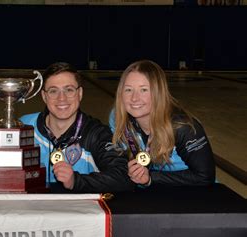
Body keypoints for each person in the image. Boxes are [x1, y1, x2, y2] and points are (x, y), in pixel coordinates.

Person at [19, 62, 133, 193]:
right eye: (53, 91)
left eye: (69, 90)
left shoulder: (96, 133)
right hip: (32, 211)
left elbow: (122, 177)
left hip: (80, 211)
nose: (61, 98)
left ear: (80, 93)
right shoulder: (25, 126)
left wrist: (76, 181)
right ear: (44, 96)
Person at [110, 59, 215, 186]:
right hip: (153, 191)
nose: (134, 98)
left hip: (193, 193)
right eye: (128, 90)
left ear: (158, 93)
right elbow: (121, 157)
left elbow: (205, 177)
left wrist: (151, 178)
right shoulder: (118, 118)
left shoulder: (182, 127)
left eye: (144, 90)